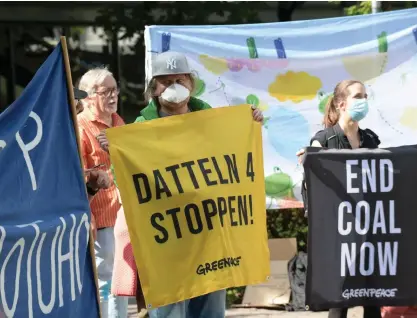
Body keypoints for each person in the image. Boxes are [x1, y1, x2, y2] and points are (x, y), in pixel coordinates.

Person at [97, 51, 263, 318]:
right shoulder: (141, 126)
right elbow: (125, 181)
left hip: (208, 236)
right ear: (154, 88)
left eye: (180, 78)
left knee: (209, 310)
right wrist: (117, 152)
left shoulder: (210, 118)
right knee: (170, 312)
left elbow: (232, 160)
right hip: (165, 242)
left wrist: (248, 124)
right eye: (166, 80)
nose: (174, 85)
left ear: (190, 82)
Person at [297, 79, 381, 318]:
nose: (364, 101)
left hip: (369, 229)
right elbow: (312, 179)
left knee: (372, 299)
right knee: (340, 299)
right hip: (339, 232)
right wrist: (309, 159)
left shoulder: (371, 140)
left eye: (365, 96)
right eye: (358, 97)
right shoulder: (323, 140)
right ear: (342, 104)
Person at [77, 69, 128, 318]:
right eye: (105, 91)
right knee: (105, 280)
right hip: (101, 218)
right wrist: (96, 178)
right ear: (87, 97)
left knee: (122, 281)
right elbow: (75, 174)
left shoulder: (119, 122)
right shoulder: (80, 127)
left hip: (126, 216)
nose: (113, 95)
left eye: (115, 89)